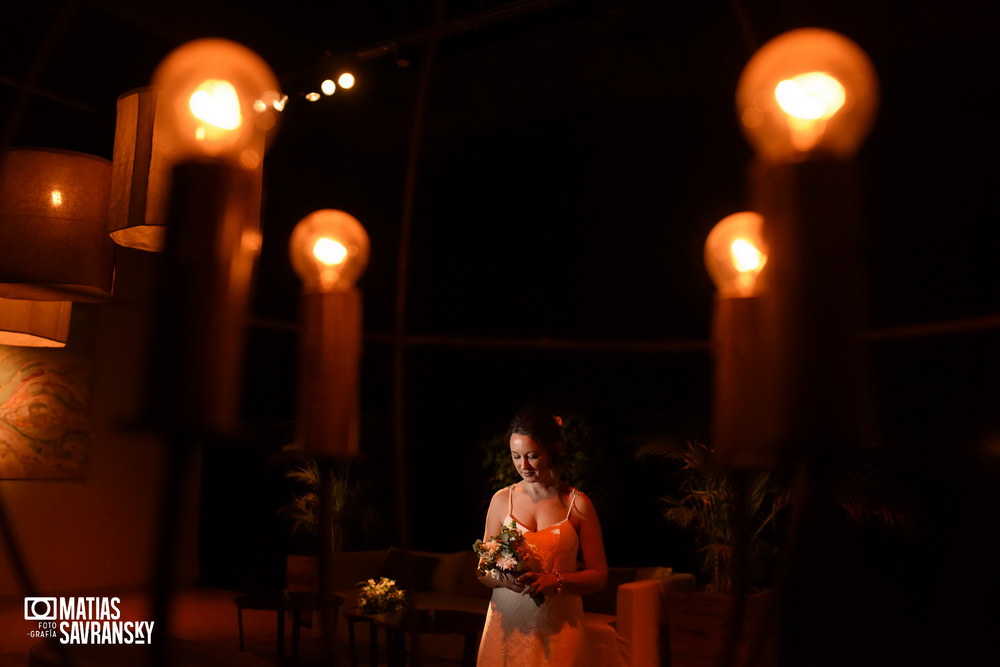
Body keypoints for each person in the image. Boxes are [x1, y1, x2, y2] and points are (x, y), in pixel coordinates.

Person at [476, 406, 608, 666]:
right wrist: (501, 579)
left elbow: (599, 576)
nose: (523, 465)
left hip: (558, 626)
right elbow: (482, 569)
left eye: (532, 456)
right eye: (515, 456)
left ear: (554, 449)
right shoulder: (502, 500)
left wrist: (555, 581)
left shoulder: (577, 504)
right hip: (507, 625)